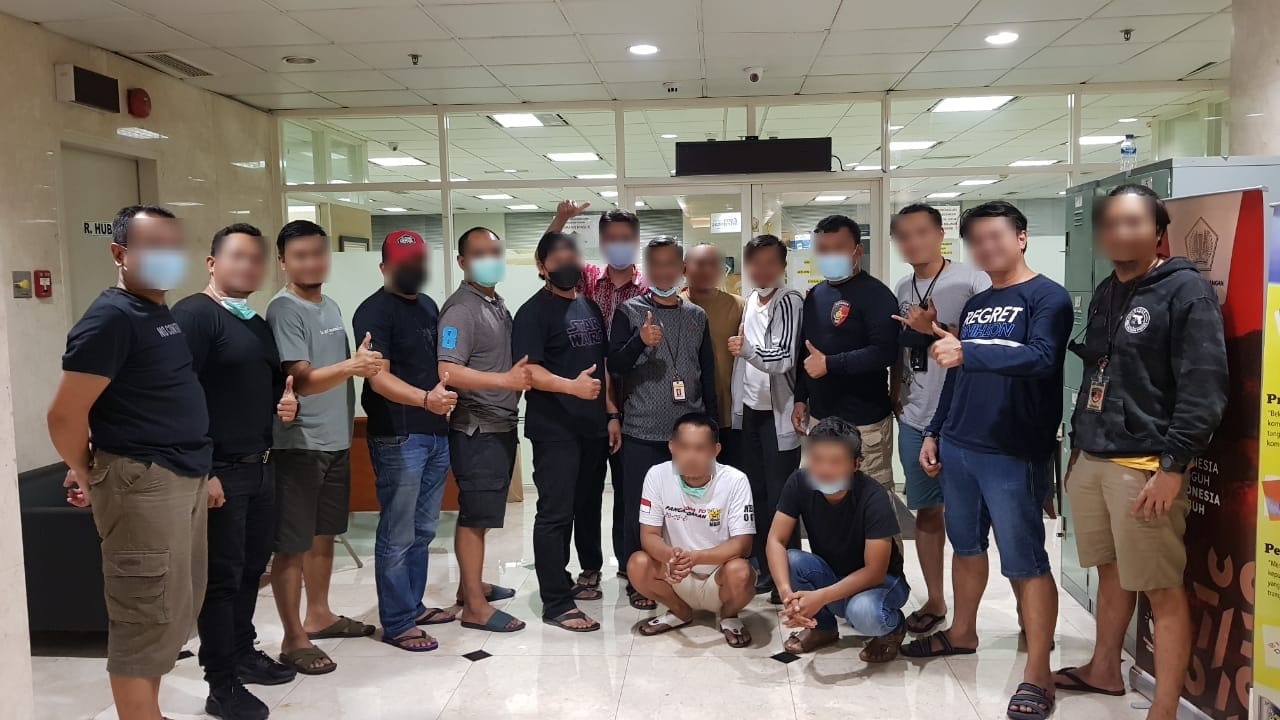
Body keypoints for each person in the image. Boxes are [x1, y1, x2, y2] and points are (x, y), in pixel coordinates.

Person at [1054, 185, 1227, 720]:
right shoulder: (1108, 289)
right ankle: (1104, 668)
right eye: (1110, 224)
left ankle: (1164, 709)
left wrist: (1173, 467)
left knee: (1160, 587)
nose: (1119, 233)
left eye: (1132, 222)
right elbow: (1097, 372)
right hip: (1095, 454)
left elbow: (1204, 387)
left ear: (1159, 232)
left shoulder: (1186, 292)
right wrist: (1079, 444)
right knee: (1110, 571)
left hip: (1146, 465)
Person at [901, 201, 1073, 720]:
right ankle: (962, 632)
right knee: (966, 545)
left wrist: (968, 352)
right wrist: (935, 430)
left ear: (1021, 237)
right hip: (960, 444)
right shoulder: (978, 305)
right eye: (976, 240)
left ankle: (1038, 671)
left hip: (1012, 449)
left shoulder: (1047, 297)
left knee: (1025, 559)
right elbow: (957, 375)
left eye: (996, 236)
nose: (986, 247)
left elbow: (1043, 358)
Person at [48, 205, 212, 720]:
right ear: (120, 253)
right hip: (142, 481)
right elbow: (63, 415)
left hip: (178, 475)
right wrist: (90, 471)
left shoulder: (155, 313)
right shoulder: (111, 318)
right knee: (144, 617)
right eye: (154, 246)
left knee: (169, 615)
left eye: (174, 246)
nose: (169, 256)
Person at [173, 224, 299, 720]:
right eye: (237, 256)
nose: (248, 266)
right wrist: (204, 471)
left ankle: (243, 653)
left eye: (256, 259)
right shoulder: (194, 317)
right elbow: (180, 397)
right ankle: (220, 683)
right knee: (222, 580)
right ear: (212, 263)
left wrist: (282, 404)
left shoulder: (253, 322)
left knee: (250, 571)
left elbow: (262, 387)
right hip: (220, 471)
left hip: (261, 466)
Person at [267, 220, 380, 676]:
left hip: (335, 440)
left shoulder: (328, 304)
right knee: (292, 543)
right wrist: (353, 366)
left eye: (318, 253)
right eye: (301, 256)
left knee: (323, 533)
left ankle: (319, 614)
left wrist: (355, 365)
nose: (312, 263)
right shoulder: (284, 309)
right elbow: (302, 379)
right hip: (300, 444)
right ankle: (293, 636)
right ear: (283, 261)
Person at [351, 230, 459, 653]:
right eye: (403, 263)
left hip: (434, 432)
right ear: (384, 267)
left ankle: (412, 606)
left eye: (418, 262)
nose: (413, 269)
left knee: (424, 529)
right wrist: (426, 400)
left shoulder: (429, 306)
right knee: (397, 532)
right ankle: (397, 622)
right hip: (399, 436)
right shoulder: (373, 312)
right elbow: (378, 379)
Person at [887, 204, 991, 636]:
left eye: (921, 233)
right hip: (915, 416)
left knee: (972, 521)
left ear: (940, 234)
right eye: (904, 236)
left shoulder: (972, 280)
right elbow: (902, 345)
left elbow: (988, 343)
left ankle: (1001, 614)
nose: (913, 242)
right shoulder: (902, 286)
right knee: (927, 513)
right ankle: (935, 599)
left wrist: (934, 328)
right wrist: (895, 391)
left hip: (962, 419)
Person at [513, 232, 620, 633]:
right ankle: (556, 601)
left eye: (571, 256)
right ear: (542, 267)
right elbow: (528, 371)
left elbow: (602, 364)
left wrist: (610, 413)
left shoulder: (588, 305)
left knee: (587, 506)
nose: (565, 264)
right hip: (555, 428)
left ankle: (575, 578)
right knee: (555, 514)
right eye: (556, 259)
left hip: (592, 427)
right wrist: (571, 387)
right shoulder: (532, 312)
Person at [609, 236, 718, 610]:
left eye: (670, 264)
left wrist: (711, 426)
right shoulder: (629, 311)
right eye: (655, 264)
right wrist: (639, 341)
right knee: (637, 509)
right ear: (646, 269)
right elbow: (615, 366)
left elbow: (707, 373)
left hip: (688, 434)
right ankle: (637, 578)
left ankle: (679, 574)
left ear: (682, 268)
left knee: (683, 510)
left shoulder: (696, 315)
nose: (663, 271)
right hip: (641, 429)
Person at [549, 201, 647, 593]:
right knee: (586, 492)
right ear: (602, 243)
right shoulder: (588, 279)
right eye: (612, 238)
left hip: (636, 403)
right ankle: (590, 565)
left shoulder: (648, 286)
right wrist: (561, 220)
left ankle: (630, 565)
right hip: (587, 400)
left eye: (626, 238)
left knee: (630, 491)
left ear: (636, 241)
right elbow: (549, 255)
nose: (619, 244)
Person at [438, 226, 530, 633]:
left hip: (499, 424)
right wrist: (505, 381)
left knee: (484, 514)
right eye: (479, 253)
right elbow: (447, 369)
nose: (490, 260)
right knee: (475, 517)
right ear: (462, 261)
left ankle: (469, 587)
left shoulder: (492, 302)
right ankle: (475, 607)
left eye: (495, 251)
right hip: (477, 429)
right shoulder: (461, 310)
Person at [766, 418, 909, 663]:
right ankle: (822, 628)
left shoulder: (874, 497)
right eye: (817, 459)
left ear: (856, 464)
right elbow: (775, 540)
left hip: (881, 582)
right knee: (790, 560)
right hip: (833, 574)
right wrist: (787, 593)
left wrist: (820, 597)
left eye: (835, 462)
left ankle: (893, 628)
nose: (824, 470)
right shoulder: (799, 482)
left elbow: (875, 572)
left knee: (862, 612)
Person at [628, 413, 756, 647]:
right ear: (672, 447)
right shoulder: (657, 475)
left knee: (742, 571)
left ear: (715, 450)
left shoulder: (735, 480)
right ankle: (679, 611)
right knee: (638, 564)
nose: (691, 456)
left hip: (719, 575)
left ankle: (729, 616)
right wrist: (671, 557)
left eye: (700, 448)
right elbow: (649, 535)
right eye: (684, 447)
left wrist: (696, 558)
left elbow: (743, 545)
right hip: (676, 573)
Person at [793, 214, 900, 493]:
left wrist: (830, 364)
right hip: (821, 419)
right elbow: (806, 350)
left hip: (864, 421)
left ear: (857, 251)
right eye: (823, 249)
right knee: (828, 497)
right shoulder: (815, 295)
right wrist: (800, 398)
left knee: (871, 499)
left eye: (838, 248)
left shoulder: (877, 295)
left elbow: (885, 352)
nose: (830, 255)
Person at [727, 234, 805, 602]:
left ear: (783, 266)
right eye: (755, 263)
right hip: (750, 413)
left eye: (770, 263)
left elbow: (784, 357)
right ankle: (763, 567)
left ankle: (787, 574)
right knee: (755, 495)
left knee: (781, 498)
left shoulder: (789, 300)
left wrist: (747, 350)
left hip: (779, 416)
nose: (762, 270)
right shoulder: (751, 301)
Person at [682, 243, 746, 468]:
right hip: (687, 411)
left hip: (730, 413)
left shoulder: (739, 306)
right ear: (684, 268)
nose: (707, 270)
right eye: (700, 264)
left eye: (714, 264)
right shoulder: (674, 307)